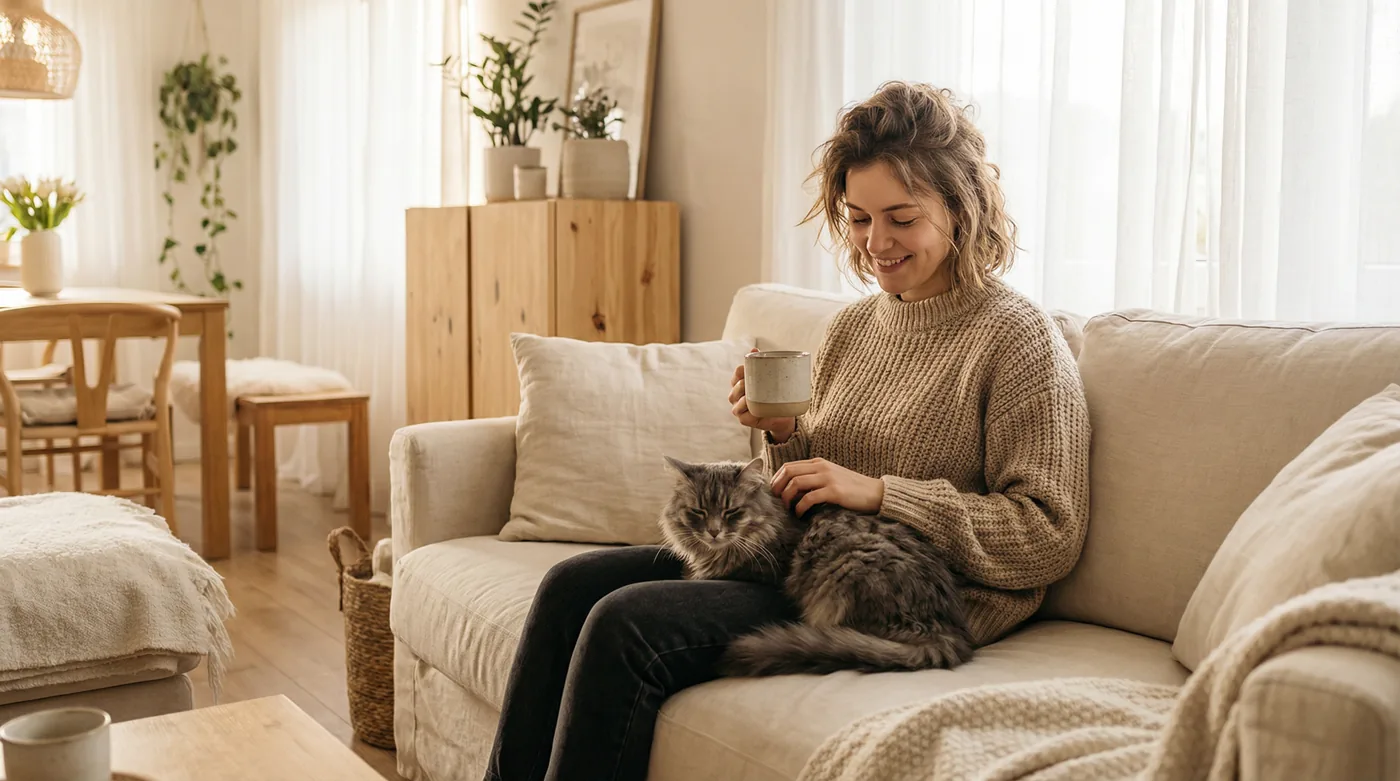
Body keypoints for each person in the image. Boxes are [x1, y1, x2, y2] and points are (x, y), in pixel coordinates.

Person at [482, 80, 1091, 781]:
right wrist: (779, 433)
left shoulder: (1017, 339)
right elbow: (813, 478)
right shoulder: (856, 326)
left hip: (906, 597)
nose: (875, 244)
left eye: (901, 218)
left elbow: (1049, 533)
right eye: (858, 219)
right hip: (806, 555)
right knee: (568, 585)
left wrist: (884, 494)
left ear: (961, 208)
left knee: (625, 624)